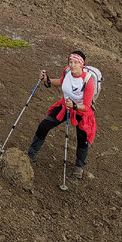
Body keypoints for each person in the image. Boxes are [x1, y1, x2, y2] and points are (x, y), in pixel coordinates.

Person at [27, 50, 96, 179]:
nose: (73, 65)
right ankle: (31, 154)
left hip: (82, 112)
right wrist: (48, 80)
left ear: (82, 64)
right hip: (64, 106)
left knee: (82, 139)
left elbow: (86, 107)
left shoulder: (88, 81)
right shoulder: (67, 71)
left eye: (76, 62)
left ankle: (79, 166)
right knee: (44, 125)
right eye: (71, 62)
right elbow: (62, 81)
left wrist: (75, 106)